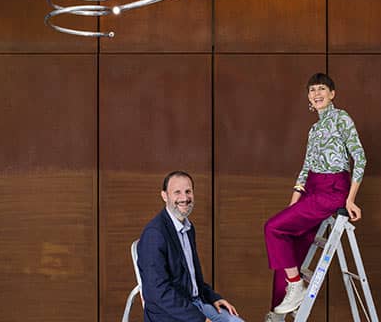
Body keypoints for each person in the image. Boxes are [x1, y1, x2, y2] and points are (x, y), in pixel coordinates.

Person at [262, 73, 368, 322]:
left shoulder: (342, 118)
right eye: (312, 90)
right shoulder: (314, 128)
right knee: (286, 242)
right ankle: (281, 310)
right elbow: (305, 169)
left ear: (332, 94)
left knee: (272, 229)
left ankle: (297, 286)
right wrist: (291, 208)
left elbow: (360, 158)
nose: (316, 93)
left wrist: (350, 200)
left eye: (322, 89)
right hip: (312, 188)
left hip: (333, 190)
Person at [138, 170, 244, 322]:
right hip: (170, 315)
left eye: (188, 191)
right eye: (177, 192)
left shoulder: (188, 228)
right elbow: (158, 292)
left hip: (195, 304)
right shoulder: (154, 234)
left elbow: (191, 279)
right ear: (164, 196)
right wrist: (200, 319)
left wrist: (213, 297)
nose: (184, 198)